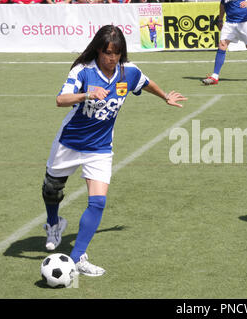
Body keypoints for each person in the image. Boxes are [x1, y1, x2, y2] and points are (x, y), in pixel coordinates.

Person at [41, 25, 187, 276]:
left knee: (98, 202)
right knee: (51, 190)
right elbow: (60, 100)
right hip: (70, 142)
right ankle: (53, 223)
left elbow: (146, 82)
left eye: (117, 53)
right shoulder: (83, 71)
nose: (112, 58)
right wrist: (87, 94)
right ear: (99, 50)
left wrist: (165, 97)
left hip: (100, 147)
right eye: (108, 52)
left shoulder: (127, 72)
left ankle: (77, 258)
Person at [202, 0, 247, 85]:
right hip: (229, 23)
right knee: (222, 45)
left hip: (245, 22)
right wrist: (220, 19)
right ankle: (215, 76)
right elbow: (222, 5)